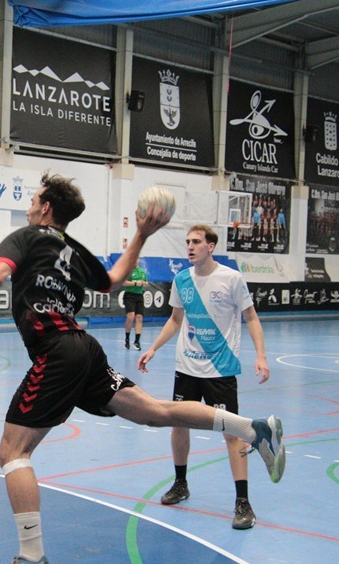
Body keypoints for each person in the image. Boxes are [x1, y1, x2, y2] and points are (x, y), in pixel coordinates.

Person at [0, 174, 285, 564]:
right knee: (156, 412)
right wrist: (142, 234)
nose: (29, 206)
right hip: (85, 350)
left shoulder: (28, 236)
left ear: (46, 208)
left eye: (33, 200)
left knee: (12, 452)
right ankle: (254, 429)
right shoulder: (77, 252)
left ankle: (31, 557)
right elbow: (114, 280)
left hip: (57, 351)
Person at [137, 224, 270, 530]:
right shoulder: (182, 279)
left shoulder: (231, 278)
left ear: (211, 245)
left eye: (196, 241)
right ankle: (181, 483)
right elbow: (175, 320)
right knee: (179, 424)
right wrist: (154, 348)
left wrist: (260, 356)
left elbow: (251, 318)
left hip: (220, 369)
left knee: (231, 433)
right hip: (187, 367)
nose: (190, 246)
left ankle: (243, 502)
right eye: (187, 242)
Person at [122, 262, 148, 350]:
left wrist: (144, 283)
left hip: (139, 295)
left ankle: (137, 342)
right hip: (129, 295)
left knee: (139, 317)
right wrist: (135, 283)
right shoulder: (128, 270)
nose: (136, 260)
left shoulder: (142, 271)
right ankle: (127, 338)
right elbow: (123, 282)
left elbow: (146, 281)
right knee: (130, 316)